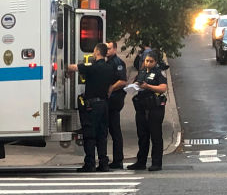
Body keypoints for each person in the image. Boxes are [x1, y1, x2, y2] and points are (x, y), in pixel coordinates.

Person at [67, 42, 118, 172]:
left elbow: (73, 67)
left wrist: (65, 67)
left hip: (92, 105)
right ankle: (103, 163)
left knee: (90, 135)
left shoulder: (92, 66)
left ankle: (89, 163)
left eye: (94, 52)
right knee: (102, 135)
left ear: (97, 52)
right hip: (104, 104)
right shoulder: (109, 68)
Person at [127, 51, 168, 172]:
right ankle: (141, 162)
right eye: (146, 61)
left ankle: (156, 163)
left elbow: (163, 88)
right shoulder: (142, 72)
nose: (148, 63)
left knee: (155, 136)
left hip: (154, 108)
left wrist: (148, 87)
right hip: (141, 107)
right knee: (142, 136)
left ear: (155, 62)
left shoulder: (158, 73)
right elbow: (136, 83)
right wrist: (134, 86)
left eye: (151, 61)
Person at [105, 41, 128, 169]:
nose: (107, 50)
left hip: (114, 99)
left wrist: (111, 88)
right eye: (106, 48)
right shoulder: (107, 62)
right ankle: (113, 159)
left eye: (109, 48)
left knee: (115, 130)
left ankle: (118, 160)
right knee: (110, 130)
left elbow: (123, 81)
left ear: (115, 49)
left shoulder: (117, 62)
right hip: (109, 99)